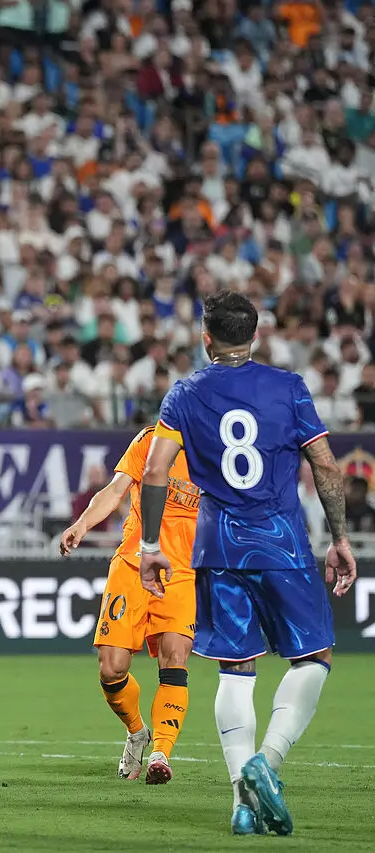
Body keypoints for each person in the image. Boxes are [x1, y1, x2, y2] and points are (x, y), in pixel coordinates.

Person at [138, 291, 358, 836]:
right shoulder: (289, 388)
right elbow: (326, 468)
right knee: (314, 656)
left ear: (205, 337)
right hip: (281, 541)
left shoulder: (184, 393)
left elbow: (155, 472)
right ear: (255, 336)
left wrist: (149, 545)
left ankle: (241, 800)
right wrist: (340, 538)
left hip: (216, 544)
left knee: (236, 669)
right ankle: (269, 761)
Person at [60, 427, 199, 785]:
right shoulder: (152, 439)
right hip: (133, 563)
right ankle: (137, 732)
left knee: (175, 657)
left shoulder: (218, 449)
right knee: (111, 668)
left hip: (182, 571)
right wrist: (84, 523)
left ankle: (161, 753)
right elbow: (116, 489)